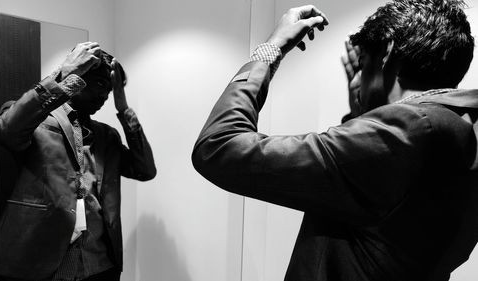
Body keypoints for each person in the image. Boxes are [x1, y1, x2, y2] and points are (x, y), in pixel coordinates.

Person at [192, 1, 478, 280]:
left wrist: (270, 49)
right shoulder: (461, 128)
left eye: (364, 63)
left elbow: (219, 146)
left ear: (388, 51)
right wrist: (363, 112)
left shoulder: (408, 131)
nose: (357, 78)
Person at [0, 42, 156, 281]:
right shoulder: (36, 122)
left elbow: (145, 170)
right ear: (79, 75)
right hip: (40, 265)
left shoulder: (106, 136)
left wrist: (124, 110)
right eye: (100, 84)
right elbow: (8, 129)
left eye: (109, 90)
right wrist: (63, 74)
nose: (104, 95)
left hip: (99, 265)